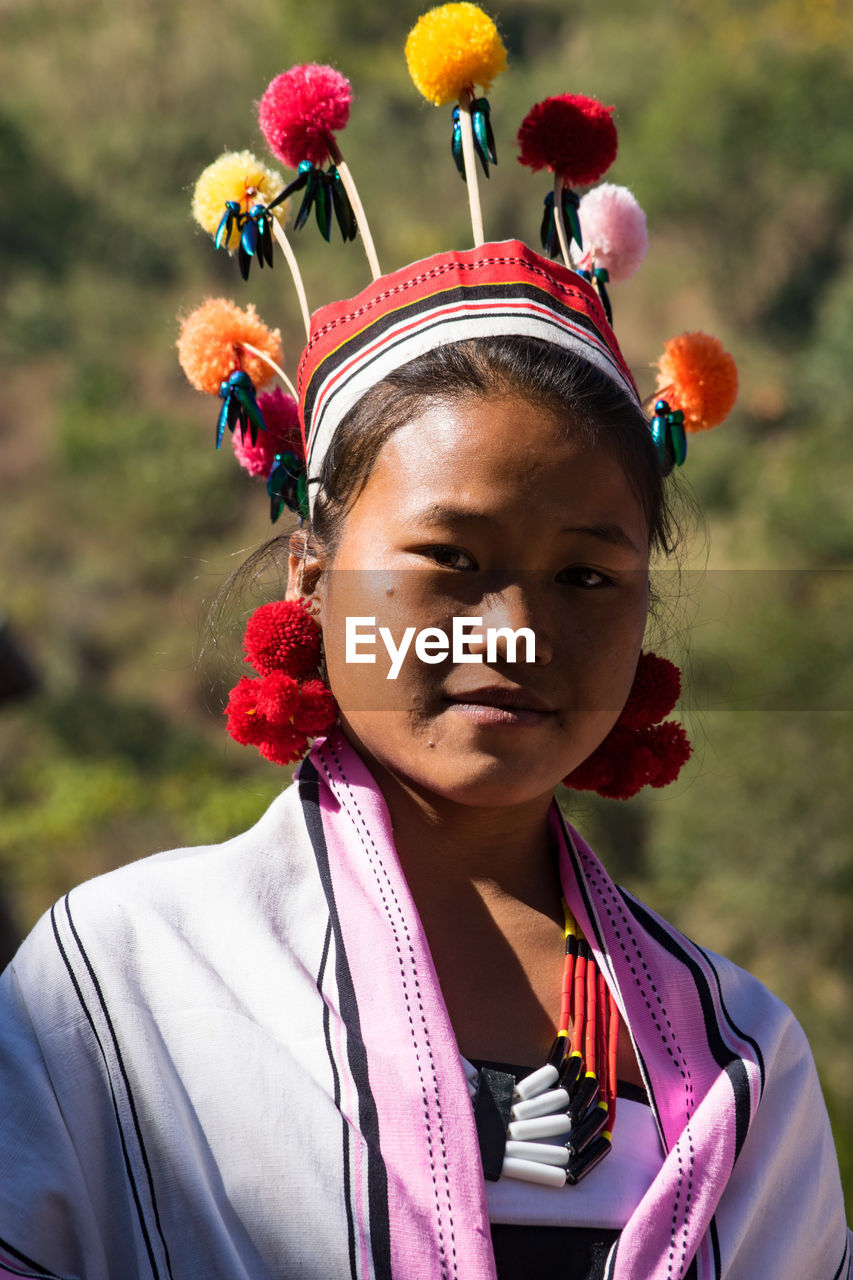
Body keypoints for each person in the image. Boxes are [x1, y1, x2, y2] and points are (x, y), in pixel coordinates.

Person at [0, 238, 849, 1280]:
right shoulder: (121, 981)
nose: (513, 632)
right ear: (313, 581)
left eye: (585, 576)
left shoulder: (744, 1062)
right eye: (449, 559)